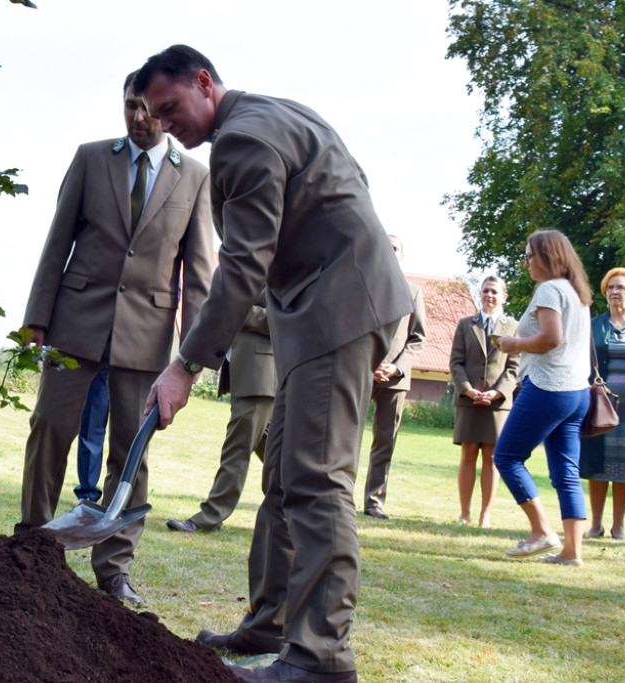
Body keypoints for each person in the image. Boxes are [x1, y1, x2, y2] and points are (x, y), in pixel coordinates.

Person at [136, 45, 414, 683]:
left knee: (317, 482)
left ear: (205, 83)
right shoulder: (279, 114)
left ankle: (319, 659)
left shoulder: (243, 141)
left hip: (337, 313)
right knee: (285, 476)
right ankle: (271, 625)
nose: (164, 123)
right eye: (155, 114)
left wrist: (186, 364)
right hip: (333, 310)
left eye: (171, 108)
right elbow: (354, 182)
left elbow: (242, 264)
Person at [16, 70, 214, 607]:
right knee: (49, 430)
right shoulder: (89, 157)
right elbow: (57, 239)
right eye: (131, 105)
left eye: (149, 108)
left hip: (146, 336)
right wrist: (38, 316)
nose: (139, 117)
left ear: (165, 113)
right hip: (74, 322)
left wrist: (191, 360)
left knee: (132, 452)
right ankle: (32, 546)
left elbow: (198, 272)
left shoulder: (194, 176)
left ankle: (114, 570)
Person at [492, 230, 591, 566]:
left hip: (549, 387)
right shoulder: (577, 293)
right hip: (578, 393)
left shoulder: (549, 289)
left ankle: (541, 532)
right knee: (566, 471)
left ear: (550, 256)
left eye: (530, 255)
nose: (526, 262)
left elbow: (551, 338)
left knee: (506, 456)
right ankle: (572, 552)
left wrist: (513, 343)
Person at [166, 292, 275, 533]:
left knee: (238, 445)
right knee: (273, 450)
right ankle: (298, 506)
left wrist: (238, 310)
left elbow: (284, 317)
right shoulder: (251, 267)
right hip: (246, 368)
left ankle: (210, 516)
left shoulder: (282, 265)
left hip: (261, 372)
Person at [579, 267, 625, 541]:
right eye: (610, 288)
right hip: (600, 406)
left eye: (620, 287)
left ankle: (618, 526)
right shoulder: (594, 325)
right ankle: (596, 524)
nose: (614, 292)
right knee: (598, 463)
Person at [362, 235, 427, 520]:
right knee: (346, 438)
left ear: (402, 254)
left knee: (385, 441)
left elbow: (417, 338)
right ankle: (336, 497)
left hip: (395, 379)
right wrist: (369, 363)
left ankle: (374, 501)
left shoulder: (413, 292)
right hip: (361, 373)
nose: (390, 251)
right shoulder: (361, 284)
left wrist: (396, 367)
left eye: (395, 247)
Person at [449, 275, 519, 527]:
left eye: (494, 291)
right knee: (468, 453)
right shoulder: (466, 324)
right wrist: (467, 390)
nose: (489, 295)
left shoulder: (513, 327)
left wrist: (497, 392)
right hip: (468, 400)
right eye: (485, 291)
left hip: (498, 404)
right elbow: (455, 362)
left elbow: (514, 367)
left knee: (491, 457)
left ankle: (484, 516)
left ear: (504, 296)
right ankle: (465, 513)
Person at [74, 365, 109, 504]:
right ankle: (87, 493)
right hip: (101, 362)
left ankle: (119, 500)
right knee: (91, 428)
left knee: (128, 436)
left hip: (132, 359)